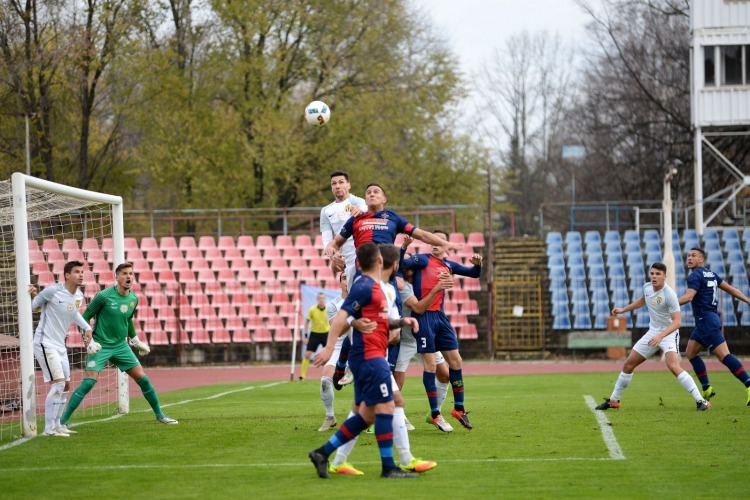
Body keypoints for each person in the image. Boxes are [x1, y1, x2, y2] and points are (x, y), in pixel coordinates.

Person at [307, 243, 420, 479]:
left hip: (373, 354)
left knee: (367, 414)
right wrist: (329, 348)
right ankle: (389, 467)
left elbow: (380, 321)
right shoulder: (365, 286)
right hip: (369, 356)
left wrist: (403, 323)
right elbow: (340, 318)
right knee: (389, 405)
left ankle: (322, 453)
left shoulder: (377, 288)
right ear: (379, 260)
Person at [61, 262, 178, 427]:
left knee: (143, 380)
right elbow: (85, 317)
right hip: (101, 345)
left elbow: (128, 319)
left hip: (121, 346)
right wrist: (89, 340)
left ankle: (160, 415)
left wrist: (135, 340)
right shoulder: (103, 296)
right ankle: (63, 421)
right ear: (116, 277)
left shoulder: (133, 299)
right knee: (89, 382)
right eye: (124, 273)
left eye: (130, 273)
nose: (128, 276)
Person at [595, 262, 709, 411]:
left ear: (664, 276)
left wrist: (661, 336)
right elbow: (643, 300)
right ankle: (614, 401)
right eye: (652, 273)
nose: (654, 277)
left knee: (673, 366)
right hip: (653, 333)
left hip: (668, 333)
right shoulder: (647, 287)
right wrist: (624, 309)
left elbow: (677, 322)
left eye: (658, 274)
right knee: (628, 364)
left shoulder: (669, 295)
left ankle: (701, 401)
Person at [400, 229, 482, 431]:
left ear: (447, 245)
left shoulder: (449, 265)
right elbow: (401, 265)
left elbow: (473, 273)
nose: (436, 243)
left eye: (441, 240)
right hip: (423, 317)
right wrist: (403, 247)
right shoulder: (422, 259)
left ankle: (459, 409)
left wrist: (478, 264)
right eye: (433, 239)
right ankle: (435, 413)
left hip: (440, 317)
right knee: (430, 366)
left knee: (456, 361)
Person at [393, 238, 454, 431]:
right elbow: (419, 308)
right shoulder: (402, 286)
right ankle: (399, 416)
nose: (412, 268)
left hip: (425, 335)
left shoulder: (423, 279)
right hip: (406, 339)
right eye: (408, 264)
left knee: (445, 374)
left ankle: (435, 413)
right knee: (398, 380)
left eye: (414, 264)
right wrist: (437, 289)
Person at [677, 247, 750, 406]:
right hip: (708, 320)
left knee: (724, 356)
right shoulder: (711, 274)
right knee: (691, 352)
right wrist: (748, 300)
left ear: (701, 259)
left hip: (706, 322)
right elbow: (731, 289)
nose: (689, 258)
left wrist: (670, 304)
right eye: (688, 255)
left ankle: (748, 383)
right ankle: (707, 388)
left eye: (693, 256)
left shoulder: (695, 275)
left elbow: (689, 297)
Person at [28, 261, 93, 437]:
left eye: (82, 271)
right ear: (66, 275)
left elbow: (73, 313)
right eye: (77, 272)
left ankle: (57, 425)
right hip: (44, 342)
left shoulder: (78, 295)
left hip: (60, 346)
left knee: (65, 386)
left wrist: (87, 327)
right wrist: (33, 295)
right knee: (58, 384)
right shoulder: (52, 291)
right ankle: (48, 429)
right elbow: (33, 306)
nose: (81, 274)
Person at [319, 170, 367, 282]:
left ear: (348, 185)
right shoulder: (326, 211)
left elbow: (365, 206)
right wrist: (332, 254)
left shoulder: (356, 201)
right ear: (331, 188)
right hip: (347, 258)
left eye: (341, 182)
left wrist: (359, 210)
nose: (337, 186)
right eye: (334, 184)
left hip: (363, 254)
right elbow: (327, 239)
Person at [317, 273, 350, 433]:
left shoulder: (364, 299)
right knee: (324, 380)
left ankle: (372, 420)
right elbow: (336, 330)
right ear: (339, 283)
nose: (346, 280)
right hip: (338, 346)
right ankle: (330, 417)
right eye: (343, 277)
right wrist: (354, 320)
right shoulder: (333, 305)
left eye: (348, 277)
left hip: (359, 344)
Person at [301, 292, 330, 381]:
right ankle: (302, 376)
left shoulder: (329, 309)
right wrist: (306, 336)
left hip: (326, 333)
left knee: (329, 356)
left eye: (323, 298)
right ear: (317, 299)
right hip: (314, 334)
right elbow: (307, 323)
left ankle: (328, 375)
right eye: (320, 298)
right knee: (307, 354)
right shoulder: (312, 309)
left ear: (325, 299)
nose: (321, 300)